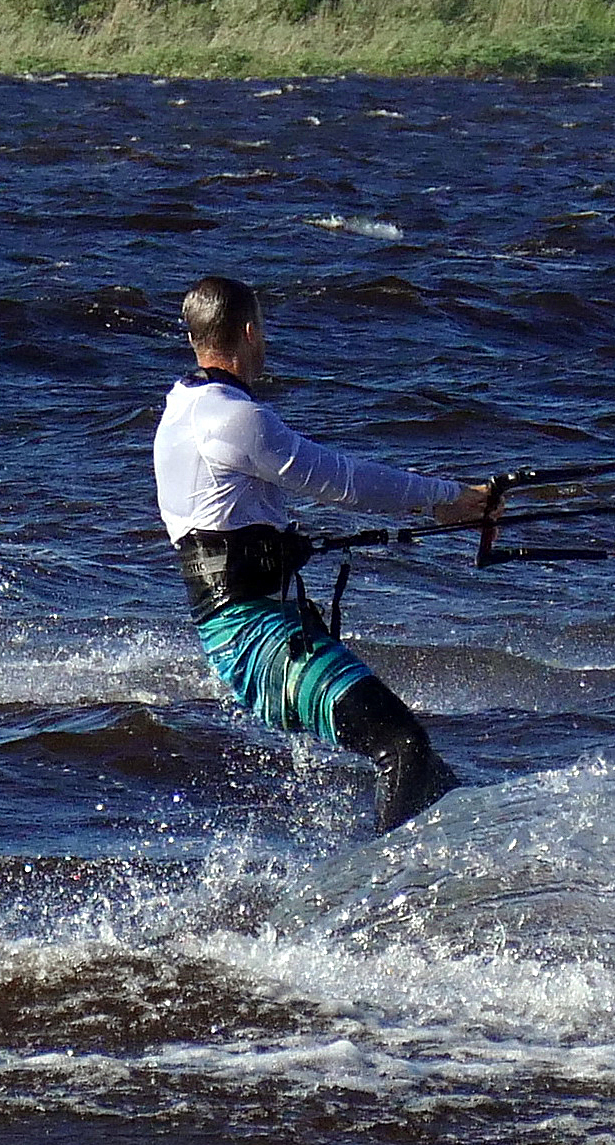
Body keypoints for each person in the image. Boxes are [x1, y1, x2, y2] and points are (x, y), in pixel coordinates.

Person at [154, 274, 487, 832]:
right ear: (250, 332)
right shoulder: (233, 419)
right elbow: (345, 481)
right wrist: (449, 500)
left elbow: (231, 528)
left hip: (251, 631)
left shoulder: (180, 412)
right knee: (402, 746)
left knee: (428, 771)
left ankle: (474, 848)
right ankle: (382, 892)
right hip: (255, 639)